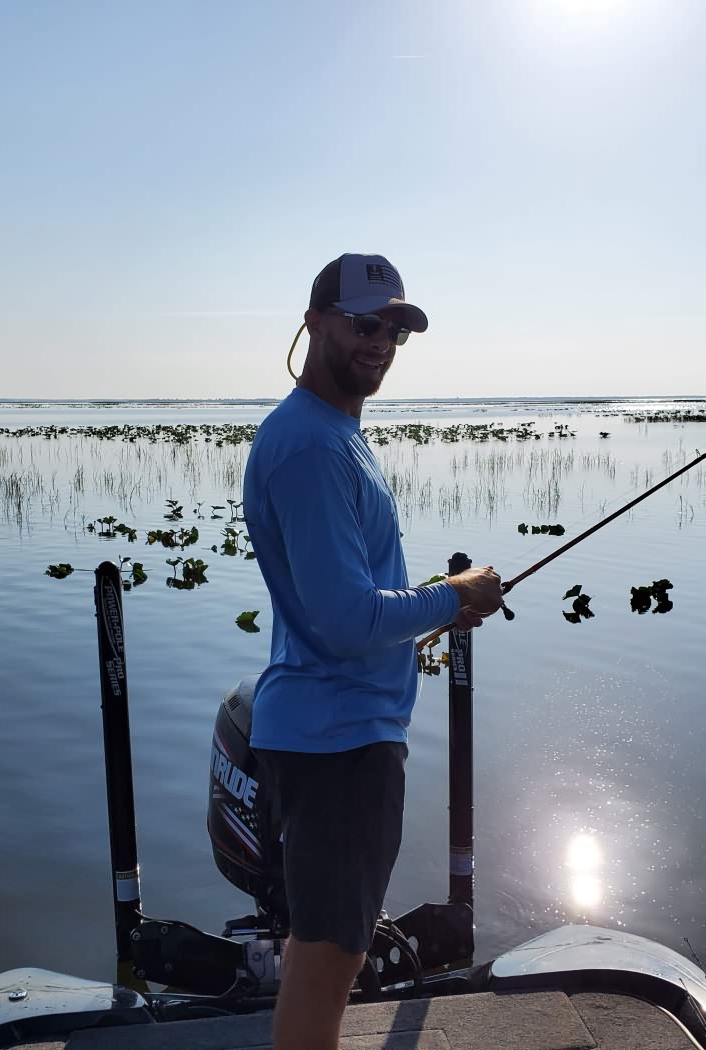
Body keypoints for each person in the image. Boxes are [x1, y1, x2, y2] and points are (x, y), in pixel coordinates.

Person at [241, 253, 504, 1050]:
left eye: (393, 329)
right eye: (364, 324)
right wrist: (453, 597)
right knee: (327, 972)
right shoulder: (316, 448)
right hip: (339, 750)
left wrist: (431, 604)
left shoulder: (328, 434)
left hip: (332, 735)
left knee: (324, 960)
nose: (381, 341)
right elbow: (347, 623)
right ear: (315, 323)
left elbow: (343, 607)